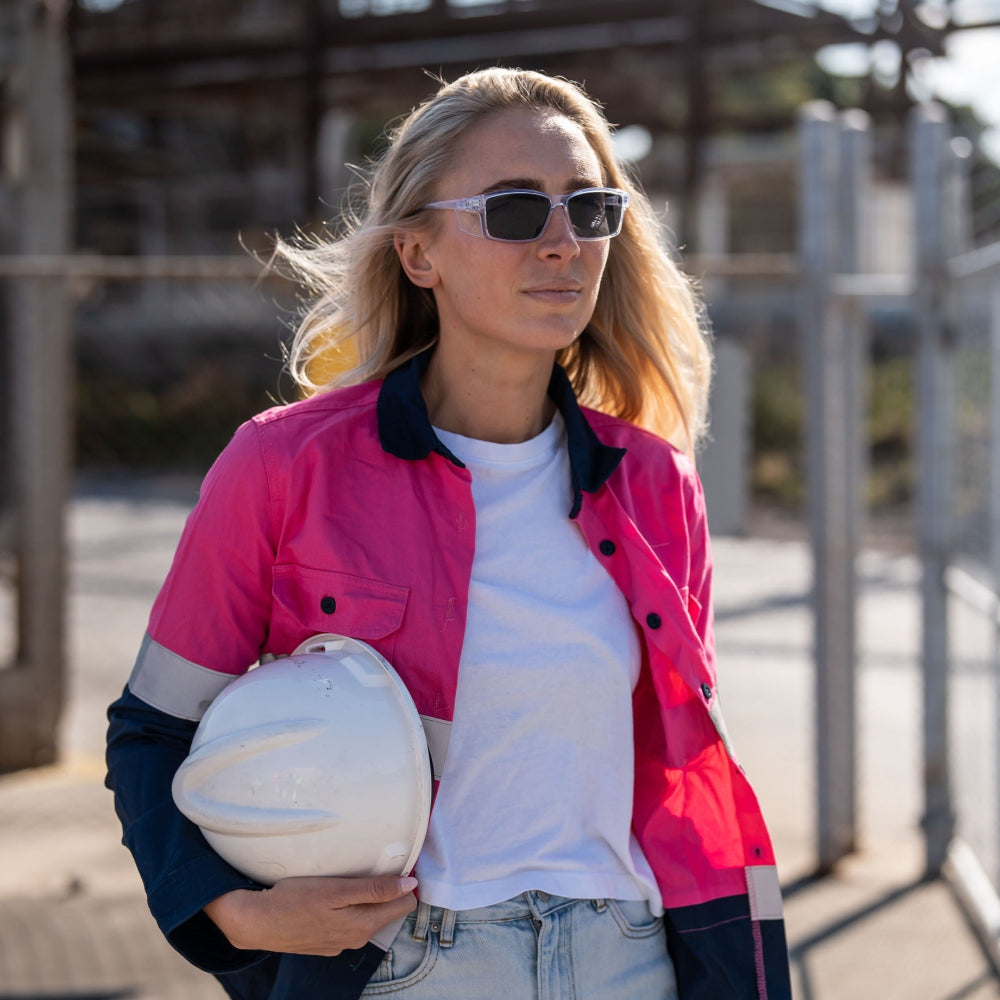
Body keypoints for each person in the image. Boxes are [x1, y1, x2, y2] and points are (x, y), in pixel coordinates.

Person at [106, 67, 792, 1000]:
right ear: (418, 253)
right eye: (514, 211)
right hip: (407, 965)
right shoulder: (285, 467)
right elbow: (153, 729)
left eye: (588, 210)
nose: (562, 243)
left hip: (628, 958)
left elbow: (669, 776)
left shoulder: (655, 484)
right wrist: (232, 912)